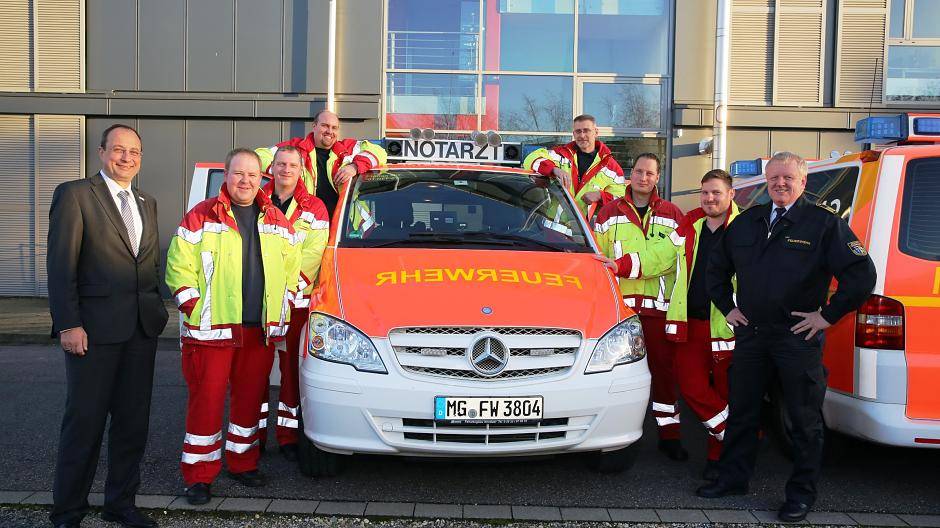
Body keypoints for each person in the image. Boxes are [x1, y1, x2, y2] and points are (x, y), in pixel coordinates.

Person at [699, 152, 876, 522]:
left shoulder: (823, 224)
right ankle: (733, 479)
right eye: (774, 177)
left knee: (803, 419)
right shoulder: (747, 222)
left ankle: (800, 494)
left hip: (797, 337)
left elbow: (861, 274)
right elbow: (715, 269)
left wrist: (827, 316)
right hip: (752, 336)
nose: (780, 183)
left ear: (803, 182)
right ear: (766, 179)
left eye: (788, 178)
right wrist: (726, 307)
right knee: (744, 412)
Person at [47, 124, 169, 528]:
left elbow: (148, 263)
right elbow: (62, 265)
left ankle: (121, 504)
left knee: (133, 425)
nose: (127, 158)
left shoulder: (146, 202)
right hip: (93, 333)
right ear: (101, 153)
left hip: (141, 330)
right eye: (118, 150)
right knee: (84, 424)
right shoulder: (76, 195)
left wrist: (156, 311)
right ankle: (67, 511)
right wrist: (68, 324)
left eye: (134, 152)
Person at [165, 148, 301, 505]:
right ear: (226, 175)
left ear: (262, 179)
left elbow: (292, 269)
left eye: (253, 175)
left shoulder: (276, 219)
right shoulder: (202, 214)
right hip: (212, 331)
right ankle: (198, 475)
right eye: (238, 174)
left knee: (248, 402)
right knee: (206, 403)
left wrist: (283, 306)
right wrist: (194, 307)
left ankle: (242, 463)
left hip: (259, 330)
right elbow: (177, 265)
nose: (245, 181)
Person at [593, 152, 688, 461]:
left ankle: (669, 434)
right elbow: (597, 258)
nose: (643, 177)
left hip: (658, 310)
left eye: (649, 173)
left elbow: (674, 259)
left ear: (657, 178)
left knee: (664, 373)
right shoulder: (608, 213)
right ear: (629, 175)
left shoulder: (674, 213)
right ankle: (612, 436)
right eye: (638, 171)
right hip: (621, 312)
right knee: (616, 375)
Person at [664, 169, 739, 480]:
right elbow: (659, 255)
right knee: (692, 386)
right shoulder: (691, 225)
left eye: (716, 193)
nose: (710, 199)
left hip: (727, 326)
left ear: (730, 194)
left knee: (724, 392)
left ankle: (717, 457)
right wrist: (621, 264)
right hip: (690, 324)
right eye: (705, 192)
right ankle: (735, 436)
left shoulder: (745, 228)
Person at [257, 146, 330, 460]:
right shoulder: (254, 200)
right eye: (281, 164)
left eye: (292, 165)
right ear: (271, 167)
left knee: (291, 373)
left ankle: (287, 437)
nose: (286, 170)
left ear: (302, 170)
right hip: (259, 303)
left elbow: (314, 255)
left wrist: (286, 289)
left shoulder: (315, 208)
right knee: (255, 374)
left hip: (297, 305)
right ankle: (253, 436)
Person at [256, 109, 387, 218]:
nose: (330, 131)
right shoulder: (295, 148)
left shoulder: (347, 149)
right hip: (305, 225)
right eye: (325, 125)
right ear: (314, 126)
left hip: (346, 229)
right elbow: (259, 155)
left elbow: (379, 151)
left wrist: (355, 166)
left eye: (334, 127)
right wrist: (285, 170)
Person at [522, 114, 626, 216]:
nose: (581, 135)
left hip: (586, 231)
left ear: (596, 132)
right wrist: (554, 169)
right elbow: (530, 159)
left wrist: (600, 196)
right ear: (574, 133)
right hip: (554, 229)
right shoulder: (561, 155)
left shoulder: (612, 168)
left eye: (586, 130)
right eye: (578, 131)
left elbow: (621, 200)